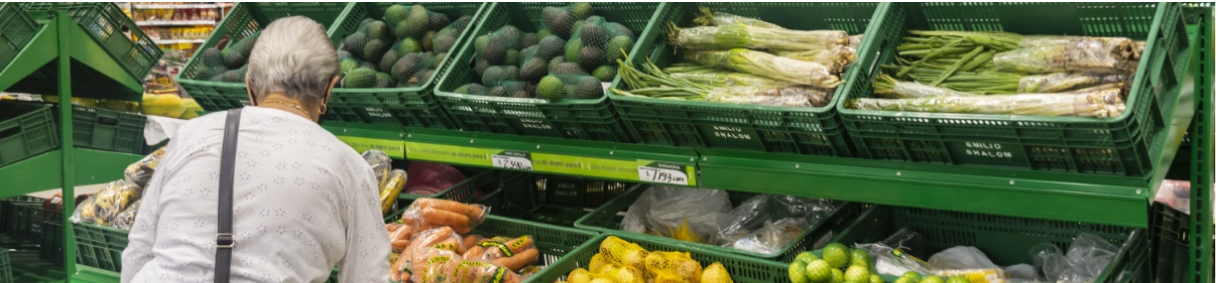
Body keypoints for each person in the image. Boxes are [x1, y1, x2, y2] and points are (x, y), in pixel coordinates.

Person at [121, 16, 390, 282]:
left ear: (249, 85)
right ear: (328, 90)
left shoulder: (190, 136)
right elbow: (368, 276)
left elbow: (138, 250)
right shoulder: (349, 166)